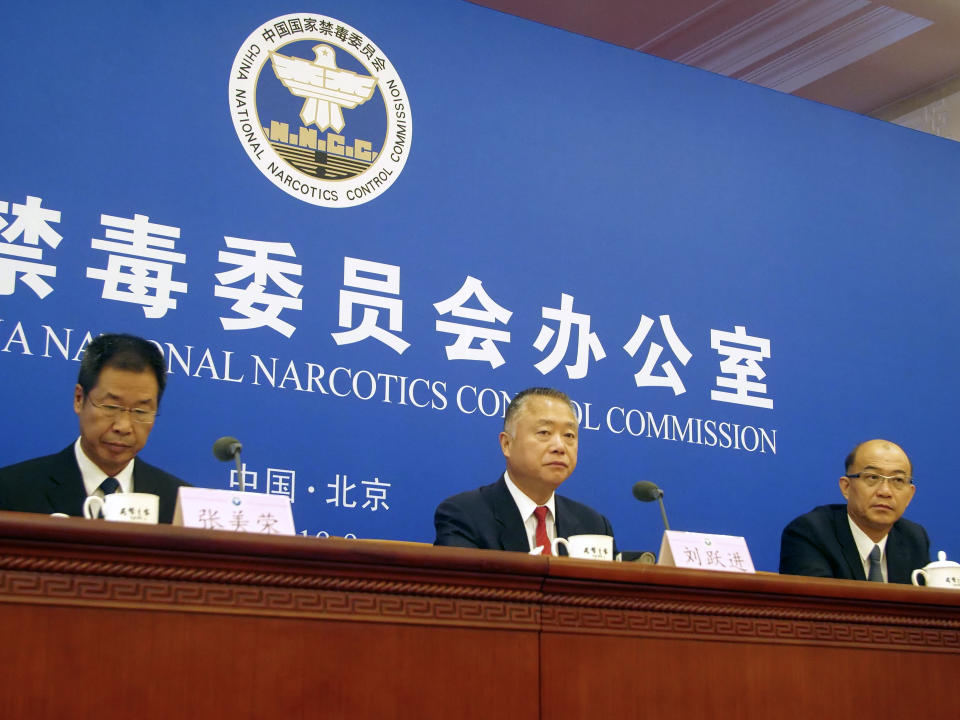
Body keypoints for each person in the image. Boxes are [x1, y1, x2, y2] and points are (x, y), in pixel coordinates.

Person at [0, 333, 188, 523]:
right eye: (111, 407)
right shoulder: (12, 492)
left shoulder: (178, 504)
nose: (123, 426)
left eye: (141, 411)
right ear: (79, 399)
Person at [434, 387, 614, 554]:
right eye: (544, 432)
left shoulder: (593, 525)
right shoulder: (465, 515)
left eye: (569, 435)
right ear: (507, 444)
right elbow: (464, 587)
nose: (560, 446)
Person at [779, 438, 929, 583]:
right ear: (846, 487)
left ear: (910, 495)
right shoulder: (811, 533)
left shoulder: (914, 539)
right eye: (872, 477)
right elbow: (819, 606)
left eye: (897, 480)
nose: (885, 491)